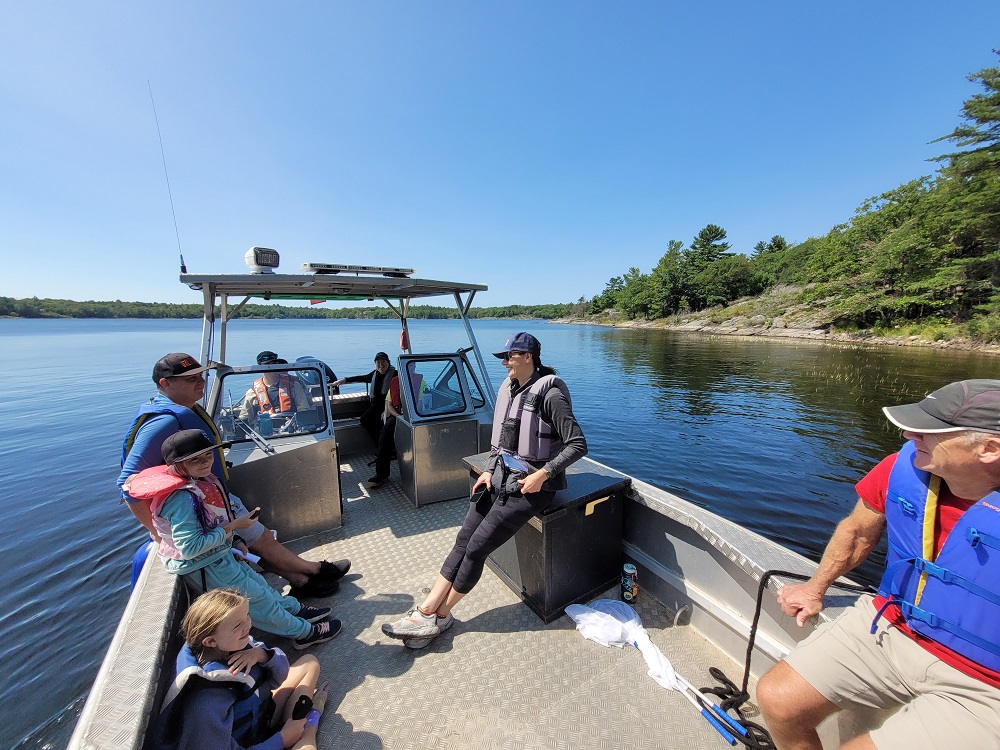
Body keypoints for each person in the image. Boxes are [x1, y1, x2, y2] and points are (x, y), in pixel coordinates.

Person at [756, 379, 1000, 749]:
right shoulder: (902, 468)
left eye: (927, 431)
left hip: (985, 680)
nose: (907, 434)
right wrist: (814, 588)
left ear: (989, 448)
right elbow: (856, 531)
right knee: (778, 699)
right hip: (891, 624)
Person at [380, 332, 587, 647]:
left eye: (509, 357)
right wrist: (489, 471)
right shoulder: (510, 388)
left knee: (477, 547)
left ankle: (440, 615)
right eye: (503, 358)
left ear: (528, 357)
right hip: (501, 478)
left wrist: (543, 475)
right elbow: (501, 442)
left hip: (531, 487)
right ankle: (426, 611)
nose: (504, 363)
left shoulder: (550, 395)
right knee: (463, 539)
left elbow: (578, 444)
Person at [119, 353, 350, 599]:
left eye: (201, 376)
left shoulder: (184, 409)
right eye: (190, 379)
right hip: (198, 507)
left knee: (256, 539)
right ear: (165, 383)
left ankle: (301, 580)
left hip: (213, 498)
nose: (201, 382)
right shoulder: (163, 421)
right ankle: (312, 572)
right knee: (258, 537)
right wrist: (155, 532)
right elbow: (128, 484)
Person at [125, 430, 341, 649]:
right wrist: (233, 527)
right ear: (178, 465)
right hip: (206, 566)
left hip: (220, 555)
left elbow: (213, 521)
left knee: (261, 587)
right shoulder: (181, 500)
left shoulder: (197, 482)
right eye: (195, 459)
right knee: (258, 601)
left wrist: (235, 538)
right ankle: (304, 633)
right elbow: (190, 548)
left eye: (208, 455)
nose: (205, 462)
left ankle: (294, 609)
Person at [155, 588, 330, 750]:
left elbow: (280, 677)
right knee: (307, 745)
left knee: (309, 663)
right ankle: (308, 727)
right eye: (237, 625)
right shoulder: (205, 703)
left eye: (247, 615)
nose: (248, 625)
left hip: (262, 721)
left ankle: (296, 726)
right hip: (248, 744)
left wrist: (262, 655)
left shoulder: (237, 644)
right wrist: (282, 739)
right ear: (210, 641)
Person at [333, 352, 397, 444]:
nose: (381, 365)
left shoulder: (395, 375)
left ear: (388, 362)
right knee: (365, 420)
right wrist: (345, 380)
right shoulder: (375, 374)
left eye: (383, 362)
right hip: (376, 407)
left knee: (381, 425)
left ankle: (385, 448)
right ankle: (380, 444)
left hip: (388, 408)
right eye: (378, 362)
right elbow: (362, 378)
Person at [367, 373, 402, 488]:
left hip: (416, 415)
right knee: (385, 433)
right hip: (398, 416)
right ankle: (381, 474)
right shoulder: (394, 383)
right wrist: (398, 416)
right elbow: (389, 405)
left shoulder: (420, 382)